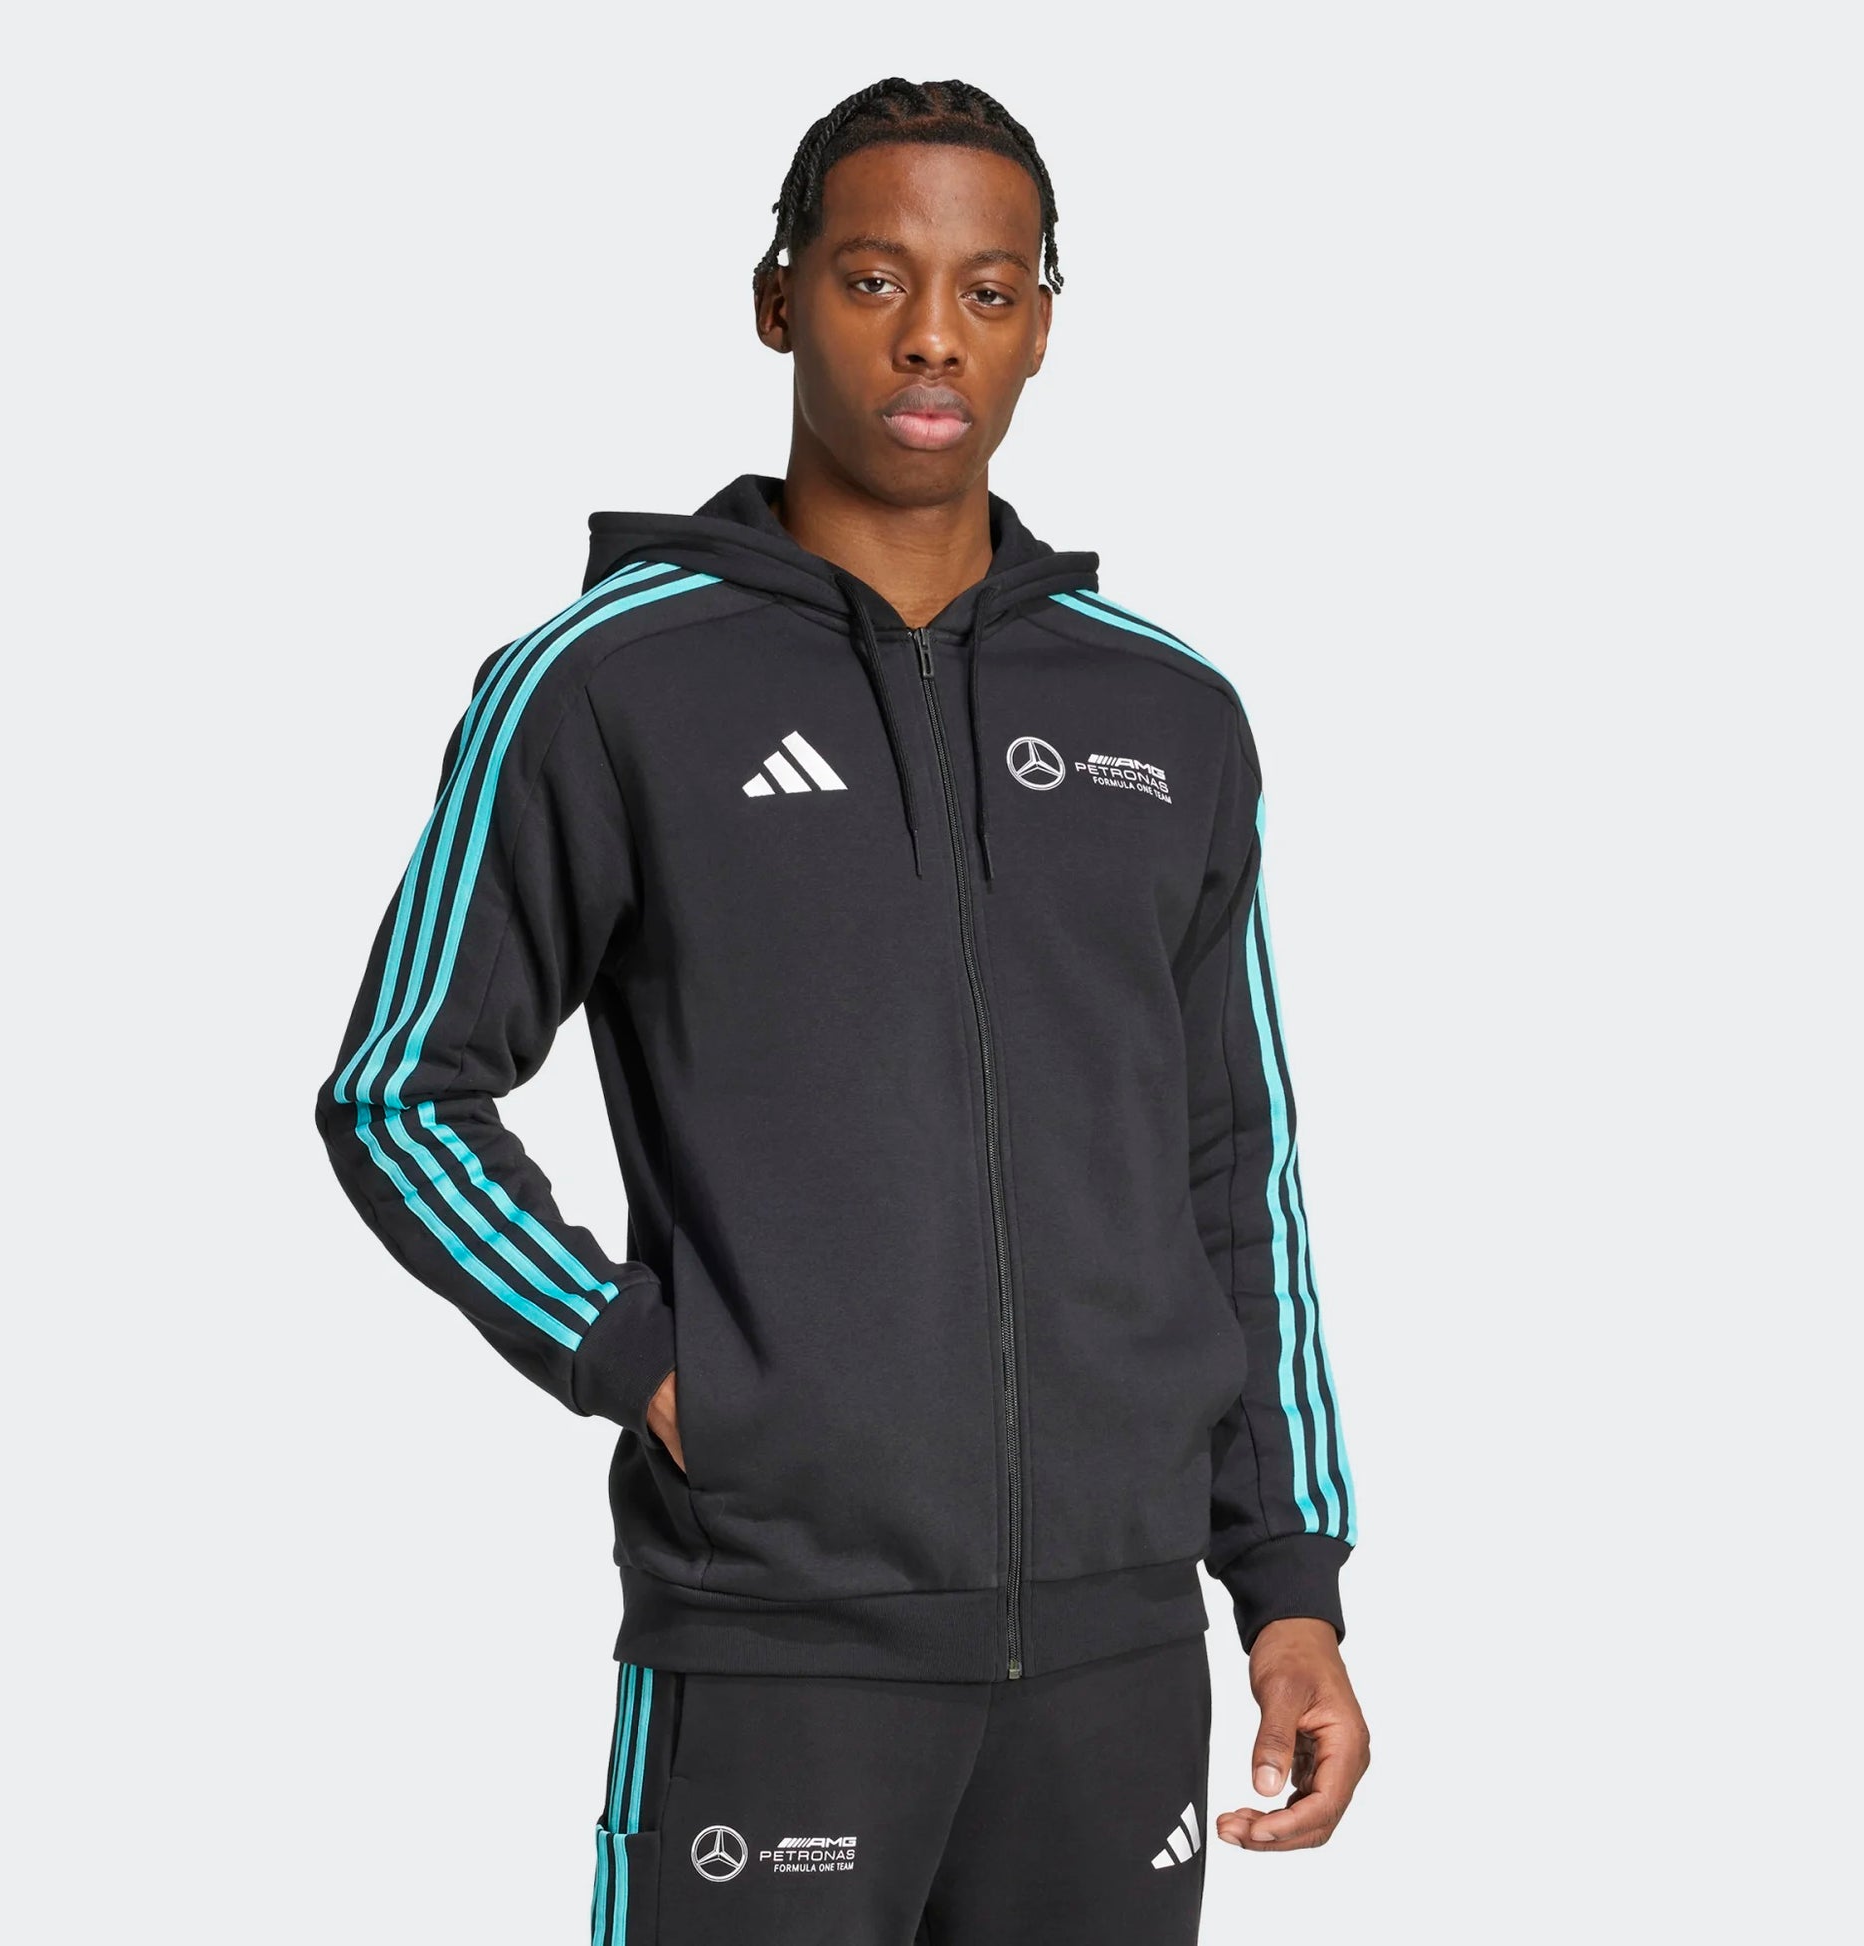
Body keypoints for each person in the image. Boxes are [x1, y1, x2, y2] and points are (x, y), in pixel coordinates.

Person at [316, 74, 1369, 1946]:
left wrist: (1288, 1584)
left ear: (1042, 322)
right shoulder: (608, 682)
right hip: (778, 1638)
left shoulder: (1168, 713)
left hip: (1119, 1652)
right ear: (777, 299)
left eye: (987, 289)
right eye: (876, 278)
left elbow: (1235, 1163)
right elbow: (401, 1088)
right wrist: (648, 1363)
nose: (931, 335)